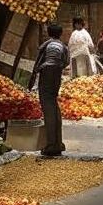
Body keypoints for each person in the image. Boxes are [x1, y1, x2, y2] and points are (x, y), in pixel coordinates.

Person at [30, 24, 69, 157]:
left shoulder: (46, 45)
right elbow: (66, 61)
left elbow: (37, 64)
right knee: (53, 104)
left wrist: (35, 75)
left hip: (46, 73)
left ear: (48, 32)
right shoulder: (63, 46)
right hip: (57, 74)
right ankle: (58, 143)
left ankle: (51, 144)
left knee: (47, 106)